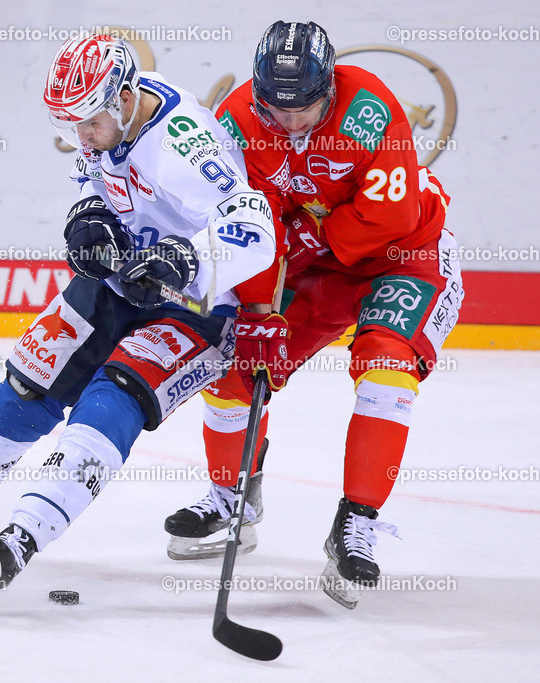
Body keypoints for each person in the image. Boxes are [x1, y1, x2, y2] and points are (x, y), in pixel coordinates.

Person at [0, 34, 276, 612]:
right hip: (120, 282)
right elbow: (98, 174)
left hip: (198, 306)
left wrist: (187, 259)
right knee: (27, 384)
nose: (79, 137)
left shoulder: (184, 146)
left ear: (124, 98)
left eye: (87, 122)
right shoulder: (108, 120)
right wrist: (88, 213)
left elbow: (254, 229)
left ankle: (24, 534)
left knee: (113, 400)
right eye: (68, 126)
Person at [162, 21, 464, 609]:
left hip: (405, 257)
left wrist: (305, 235)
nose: (291, 121)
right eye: (277, 109)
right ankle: (234, 499)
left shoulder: (367, 107)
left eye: (304, 107)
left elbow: (392, 215)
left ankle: (357, 522)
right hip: (315, 266)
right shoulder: (239, 120)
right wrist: (255, 307)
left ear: (327, 87)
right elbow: (245, 217)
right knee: (235, 367)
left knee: (387, 369)